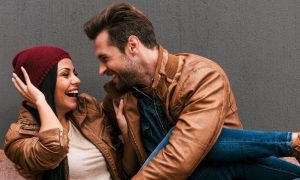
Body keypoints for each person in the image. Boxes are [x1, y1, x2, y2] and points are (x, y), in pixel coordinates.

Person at [83, 3, 300, 179]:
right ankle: (291, 142)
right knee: (182, 138)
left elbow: (180, 158)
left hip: (222, 172)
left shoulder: (201, 76)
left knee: (189, 141)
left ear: (132, 46)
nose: (101, 70)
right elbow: (121, 164)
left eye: (105, 58)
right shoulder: (121, 97)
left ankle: (291, 143)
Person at [4, 46, 131, 180]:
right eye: (65, 74)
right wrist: (41, 101)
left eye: (74, 74)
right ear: (42, 84)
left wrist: (126, 134)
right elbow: (54, 148)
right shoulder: (19, 138)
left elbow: (123, 170)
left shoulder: (88, 109)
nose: (77, 80)